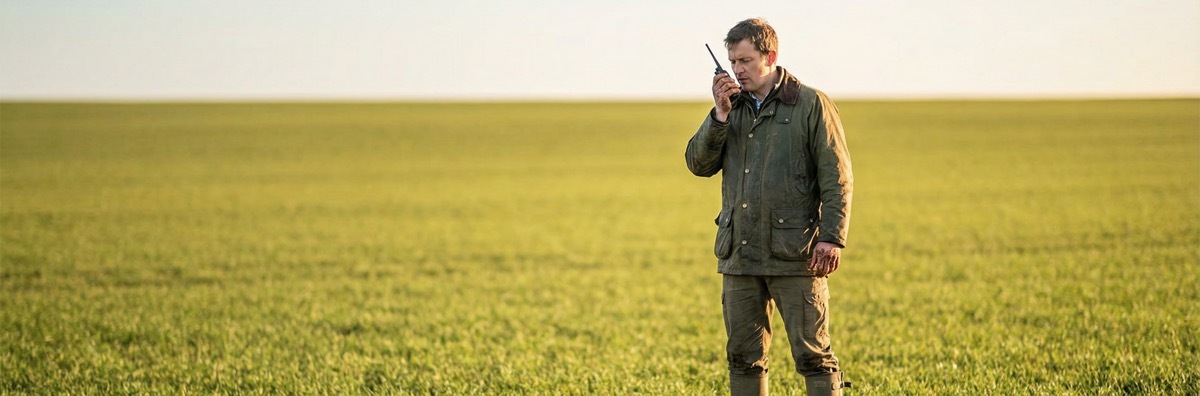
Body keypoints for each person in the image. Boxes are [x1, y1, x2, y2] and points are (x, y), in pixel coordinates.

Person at [685, 18, 854, 396]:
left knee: (814, 356)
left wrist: (832, 238)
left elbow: (837, 177)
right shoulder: (731, 107)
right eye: (732, 62)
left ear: (770, 56)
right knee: (743, 358)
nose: (737, 70)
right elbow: (698, 164)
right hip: (740, 256)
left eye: (745, 61)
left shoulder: (811, 104)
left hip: (796, 255)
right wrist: (720, 115)